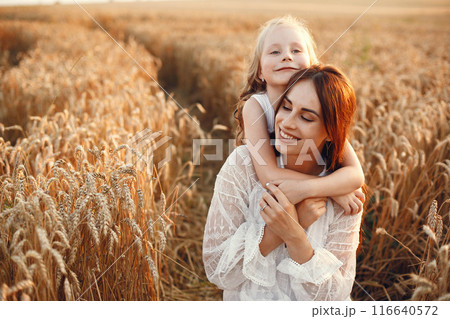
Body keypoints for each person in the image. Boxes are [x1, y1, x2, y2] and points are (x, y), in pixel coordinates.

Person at [203, 65, 363, 300]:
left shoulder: (345, 190)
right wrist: (287, 224)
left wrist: (296, 237)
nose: (287, 122)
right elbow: (218, 272)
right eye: (286, 106)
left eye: (306, 117)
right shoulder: (243, 165)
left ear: (331, 132)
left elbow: (334, 297)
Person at [233, 16, 364, 213]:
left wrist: (311, 188)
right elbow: (269, 175)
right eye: (275, 51)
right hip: (264, 197)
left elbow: (355, 175)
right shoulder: (255, 106)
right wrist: (332, 190)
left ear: (311, 66)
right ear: (260, 71)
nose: (286, 56)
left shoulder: (321, 106)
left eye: (296, 50)